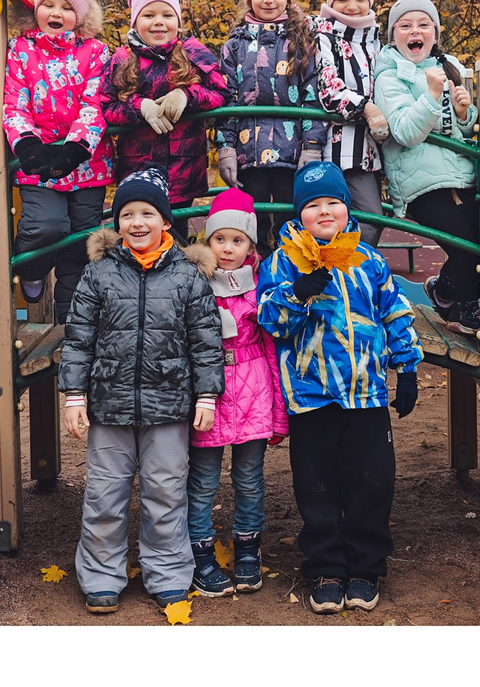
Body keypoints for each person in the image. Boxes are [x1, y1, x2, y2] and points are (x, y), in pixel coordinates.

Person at [256, 160, 422, 615]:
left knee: (372, 481)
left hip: (365, 391)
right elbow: (271, 321)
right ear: (299, 213)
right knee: (318, 484)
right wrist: (299, 291)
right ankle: (326, 568)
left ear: (348, 209)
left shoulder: (369, 260)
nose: (324, 211)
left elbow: (394, 313)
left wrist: (406, 368)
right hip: (311, 395)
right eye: (313, 205)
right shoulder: (280, 263)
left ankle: (366, 567)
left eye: (333, 202)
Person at [59, 167, 226, 616]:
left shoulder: (187, 277)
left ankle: (168, 573)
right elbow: (78, 339)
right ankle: (101, 575)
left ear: (166, 221)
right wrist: (75, 396)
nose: (137, 222)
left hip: (169, 406)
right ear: (117, 222)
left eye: (147, 213)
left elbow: (206, 342)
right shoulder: (99, 275)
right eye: (127, 213)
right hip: (109, 405)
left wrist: (206, 396)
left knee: (166, 492)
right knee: (104, 494)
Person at [187, 187, 285, 597]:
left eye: (237, 240)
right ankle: (200, 553)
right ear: (207, 241)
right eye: (219, 239)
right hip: (207, 390)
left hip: (253, 387)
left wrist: (278, 407)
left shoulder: (262, 282)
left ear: (250, 244)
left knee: (248, 477)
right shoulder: (192, 281)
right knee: (203, 479)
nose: (228, 249)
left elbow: (270, 343)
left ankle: (248, 549)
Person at [4, 0, 113, 322]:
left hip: (85, 162)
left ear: (79, 15)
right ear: (36, 9)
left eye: (66, 7)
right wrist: (27, 144)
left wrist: (76, 148)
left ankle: (71, 321)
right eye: (48, 4)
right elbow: (14, 102)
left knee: (81, 242)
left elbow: (94, 102)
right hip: (38, 161)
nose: (56, 12)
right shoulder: (21, 50)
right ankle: (33, 267)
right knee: (45, 225)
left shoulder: (96, 52)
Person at [373, 0, 480, 335]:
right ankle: (462, 310)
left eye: (423, 24)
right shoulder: (389, 76)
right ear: (393, 35)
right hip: (420, 184)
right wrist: (433, 96)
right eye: (404, 25)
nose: (414, 31)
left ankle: (445, 292)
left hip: (460, 177)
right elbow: (405, 131)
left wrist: (466, 114)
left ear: (434, 33)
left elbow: (461, 133)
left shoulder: (448, 68)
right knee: (468, 252)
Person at [99, 0, 229, 225]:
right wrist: (140, 107)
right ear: (135, 22)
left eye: (167, 15)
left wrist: (187, 95)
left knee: (177, 230)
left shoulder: (192, 52)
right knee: (141, 230)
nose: (159, 22)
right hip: (138, 171)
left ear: (178, 22)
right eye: (149, 15)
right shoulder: (122, 59)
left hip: (185, 170)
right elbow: (106, 105)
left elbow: (221, 93)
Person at [214, 0, 318, 208]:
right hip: (248, 152)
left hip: (291, 153)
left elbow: (311, 94)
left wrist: (312, 145)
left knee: (289, 215)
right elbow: (227, 99)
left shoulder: (301, 42)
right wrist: (225, 147)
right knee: (253, 215)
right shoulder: (235, 46)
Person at [308, 0, 390, 215]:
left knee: (370, 220)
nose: (352, 6)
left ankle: (356, 260)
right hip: (332, 149)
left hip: (368, 152)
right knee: (352, 219)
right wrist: (368, 108)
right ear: (331, 2)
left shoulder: (375, 43)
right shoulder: (323, 37)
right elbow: (328, 89)